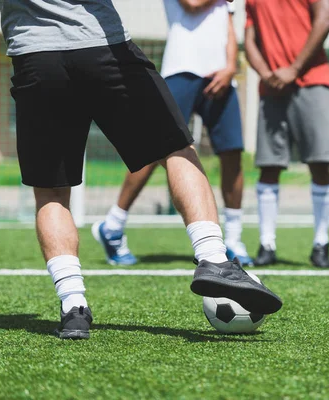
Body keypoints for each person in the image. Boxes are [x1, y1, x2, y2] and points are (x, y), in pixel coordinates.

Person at [0, 0, 282, 340]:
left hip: (34, 55)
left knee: (51, 192)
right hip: (102, 48)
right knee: (177, 149)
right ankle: (214, 259)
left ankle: (73, 307)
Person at [92, 0, 254, 267]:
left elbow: (228, 25)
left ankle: (234, 239)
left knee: (233, 151)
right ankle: (113, 225)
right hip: (181, 69)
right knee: (155, 147)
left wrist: (230, 66)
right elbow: (192, 4)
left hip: (221, 75)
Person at [244, 0, 329, 268]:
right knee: (269, 165)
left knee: (320, 163)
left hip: (313, 81)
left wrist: (294, 69)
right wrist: (265, 74)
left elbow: (325, 19)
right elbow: (249, 39)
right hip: (271, 86)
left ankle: (321, 243)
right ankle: (267, 244)